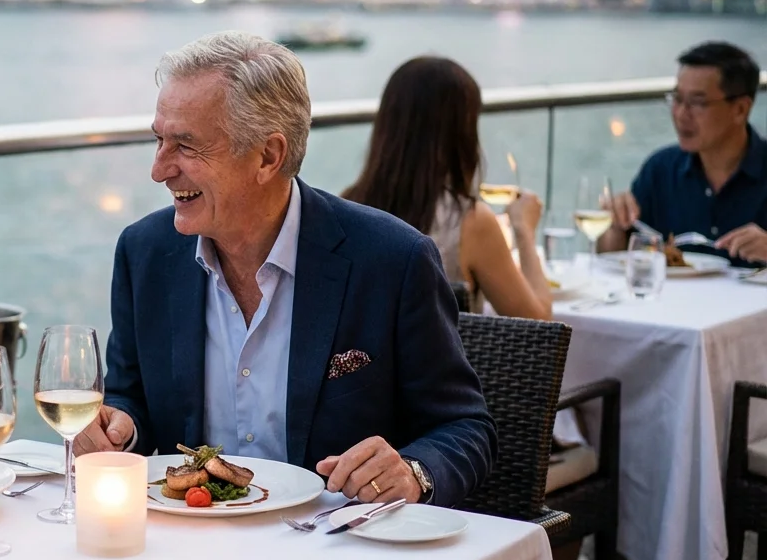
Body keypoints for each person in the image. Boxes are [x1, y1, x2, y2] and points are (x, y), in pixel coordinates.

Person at [73, 31, 496, 510]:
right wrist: (119, 427)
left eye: (186, 146)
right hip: (190, 547)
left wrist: (415, 471)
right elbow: (132, 400)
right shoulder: (144, 253)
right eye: (159, 140)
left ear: (268, 156)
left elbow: (466, 428)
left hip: (337, 550)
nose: (159, 169)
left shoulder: (393, 260)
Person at [343, 56, 553, 320]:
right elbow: (539, 326)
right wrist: (524, 231)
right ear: (461, 133)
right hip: (437, 362)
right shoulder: (469, 222)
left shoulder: (346, 208)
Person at [600, 41, 766, 264]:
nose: (681, 114)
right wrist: (614, 226)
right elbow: (613, 262)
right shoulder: (661, 170)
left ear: (740, 109)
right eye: (677, 99)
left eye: (697, 102)